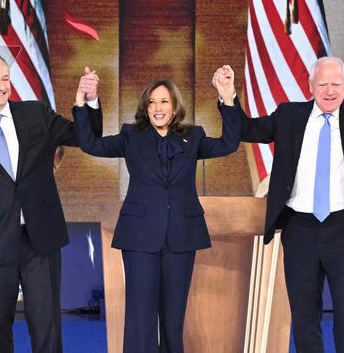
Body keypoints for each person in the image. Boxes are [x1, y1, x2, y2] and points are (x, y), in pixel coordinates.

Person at [213, 57, 344, 353]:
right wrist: (228, 95)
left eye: (336, 84)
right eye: (323, 84)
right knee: (305, 316)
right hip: (299, 230)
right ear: (311, 86)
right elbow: (248, 130)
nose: (330, 91)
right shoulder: (289, 115)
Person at [0, 52, 103, 353]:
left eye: (5, 78)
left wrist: (87, 102)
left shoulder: (35, 114)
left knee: (47, 328)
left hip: (40, 239)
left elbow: (86, 138)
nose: (2, 86)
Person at [72, 70, 240, 353]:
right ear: (145, 107)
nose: (158, 108)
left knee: (174, 318)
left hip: (181, 237)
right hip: (140, 239)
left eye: (164, 102)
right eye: (152, 102)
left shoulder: (193, 136)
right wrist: (83, 101)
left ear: (174, 107)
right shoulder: (130, 136)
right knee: (141, 316)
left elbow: (228, 144)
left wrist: (227, 97)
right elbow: (91, 144)